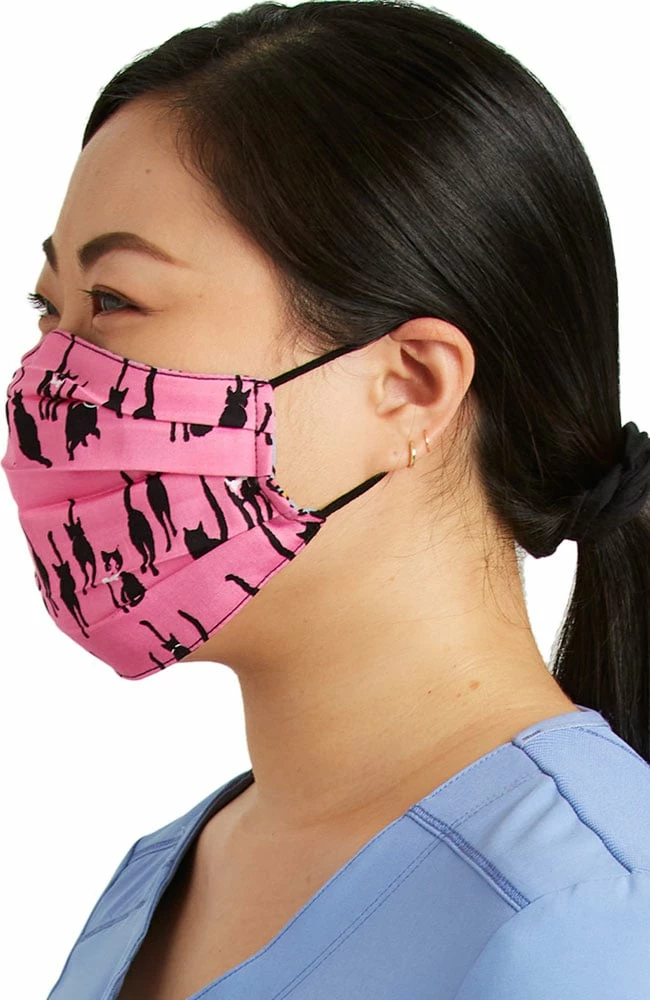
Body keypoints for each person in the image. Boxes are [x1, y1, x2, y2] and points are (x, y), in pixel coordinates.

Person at [3, 2, 650, 998]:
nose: (51, 382)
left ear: (410, 384)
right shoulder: (161, 874)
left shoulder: (589, 917)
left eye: (116, 302)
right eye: (50, 310)